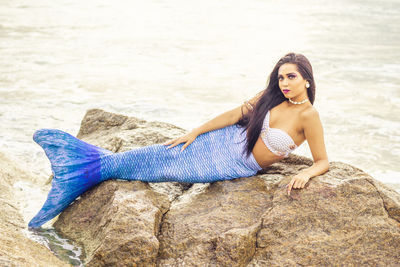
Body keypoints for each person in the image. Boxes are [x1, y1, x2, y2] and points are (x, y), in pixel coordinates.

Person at [28, 52, 329, 229]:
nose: (284, 83)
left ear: (307, 79)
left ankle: (87, 168)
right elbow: (236, 114)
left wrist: (305, 172)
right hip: (224, 140)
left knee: (166, 169)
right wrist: (196, 131)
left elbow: (322, 161)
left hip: (236, 162)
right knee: (165, 151)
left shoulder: (308, 117)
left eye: (291, 77)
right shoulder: (270, 97)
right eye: (280, 78)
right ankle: (89, 166)